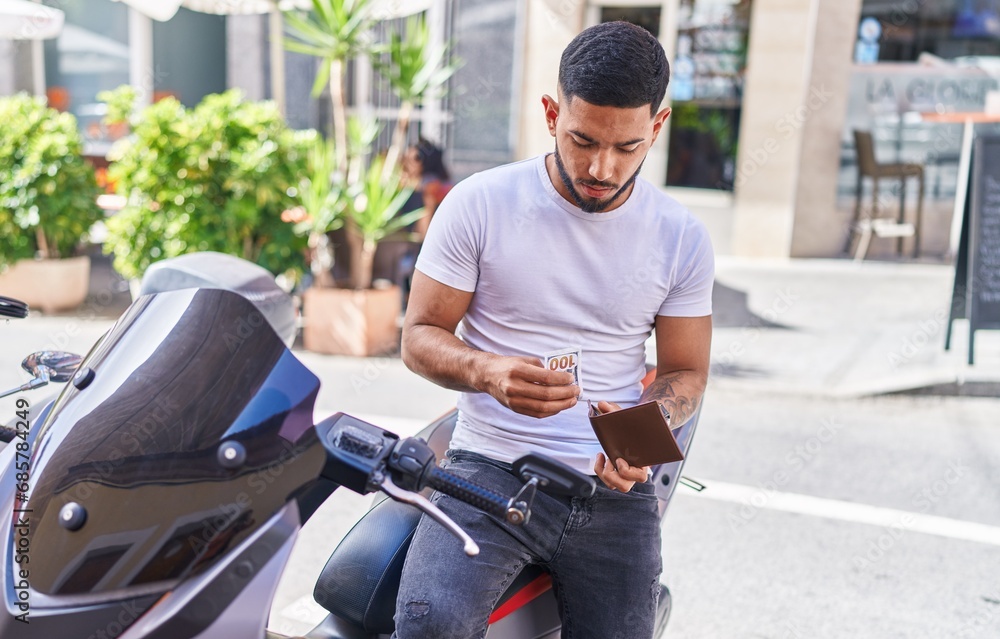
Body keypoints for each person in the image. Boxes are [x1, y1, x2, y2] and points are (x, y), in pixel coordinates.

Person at [394, 20, 714, 639]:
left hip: (611, 489)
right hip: (485, 468)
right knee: (427, 630)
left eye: (627, 148)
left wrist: (637, 442)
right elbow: (419, 335)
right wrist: (483, 370)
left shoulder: (680, 237)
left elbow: (685, 371)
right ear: (550, 113)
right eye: (582, 139)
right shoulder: (480, 204)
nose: (601, 167)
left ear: (658, 126)